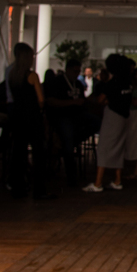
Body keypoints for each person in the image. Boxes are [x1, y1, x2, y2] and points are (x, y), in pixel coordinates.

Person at [6, 42, 54, 199]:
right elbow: (41, 100)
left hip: (18, 117)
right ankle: (39, 190)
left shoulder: (12, 75)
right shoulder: (32, 76)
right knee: (39, 153)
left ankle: (17, 187)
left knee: (19, 153)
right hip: (33, 117)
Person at [83, 54, 132, 192]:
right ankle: (117, 180)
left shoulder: (113, 83)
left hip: (112, 117)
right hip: (124, 117)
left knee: (104, 148)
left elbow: (100, 100)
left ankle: (98, 183)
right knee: (119, 147)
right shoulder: (127, 83)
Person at [45, 58, 93, 187]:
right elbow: (50, 101)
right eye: (74, 71)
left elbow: (82, 99)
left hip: (77, 115)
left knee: (96, 123)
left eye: (78, 71)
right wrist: (72, 102)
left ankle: (72, 141)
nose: (77, 73)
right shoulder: (57, 82)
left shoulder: (77, 83)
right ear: (67, 69)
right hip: (62, 116)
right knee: (68, 138)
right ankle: (71, 174)